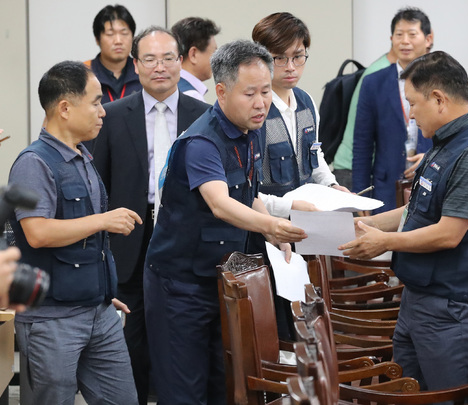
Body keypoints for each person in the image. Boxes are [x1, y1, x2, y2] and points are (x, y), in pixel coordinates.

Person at [143, 39, 307, 405]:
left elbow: (249, 193)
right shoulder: (201, 141)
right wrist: (272, 227)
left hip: (222, 278)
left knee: (225, 384)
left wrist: (276, 233)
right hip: (180, 286)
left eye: (266, 91)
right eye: (250, 93)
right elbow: (220, 204)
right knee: (185, 390)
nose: (262, 102)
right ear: (221, 90)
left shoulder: (253, 130)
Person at [340, 51, 468, 393]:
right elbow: (416, 211)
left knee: (441, 397)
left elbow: (448, 234)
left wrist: (384, 242)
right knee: (408, 394)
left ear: (439, 99)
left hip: (451, 309)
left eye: (413, 104)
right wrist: (363, 223)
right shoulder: (446, 143)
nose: (411, 115)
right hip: (419, 299)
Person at [89, 26, 209, 405]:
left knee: (180, 343)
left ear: (182, 62)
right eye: (151, 59)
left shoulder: (204, 115)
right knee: (131, 345)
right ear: (136, 65)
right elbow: (98, 187)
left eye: (168, 58)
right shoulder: (110, 116)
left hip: (186, 241)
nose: (161, 67)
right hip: (129, 241)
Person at [8, 61, 140, 404]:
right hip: (51, 321)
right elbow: (37, 232)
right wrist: (104, 220)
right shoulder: (34, 163)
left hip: (98, 311)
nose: (103, 112)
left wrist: (99, 288)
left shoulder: (83, 157)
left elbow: (82, 241)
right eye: (95, 102)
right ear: (65, 108)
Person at [252, 12, 348, 219]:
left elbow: (314, 153)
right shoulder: (253, 109)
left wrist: (331, 184)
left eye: (298, 56)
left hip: (306, 219)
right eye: (279, 58)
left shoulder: (307, 103)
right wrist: (289, 206)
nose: (290, 67)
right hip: (266, 223)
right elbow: (246, 192)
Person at [352, 7, 434, 213]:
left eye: (412, 34)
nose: (404, 41)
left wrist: (431, 158)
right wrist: (361, 197)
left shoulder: (442, 80)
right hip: (386, 190)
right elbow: (362, 145)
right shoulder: (373, 83)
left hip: (432, 183)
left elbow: (456, 134)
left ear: (428, 38)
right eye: (399, 35)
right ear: (391, 38)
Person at [332, 47, 397, 190]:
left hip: (363, 168)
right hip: (353, 169)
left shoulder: (388, 70)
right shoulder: (381, 74)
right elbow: (365, 137)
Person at [86, 4, 142, 104]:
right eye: (110, 34)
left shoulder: (143, 71)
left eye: (124, 33)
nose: (118, 41)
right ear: (97, 39)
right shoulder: (85, 73)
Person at [171, 17, 221, 102]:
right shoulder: (191, 96)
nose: (217, 60)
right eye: (214, 52)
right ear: (193, 54)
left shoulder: (165, 88)